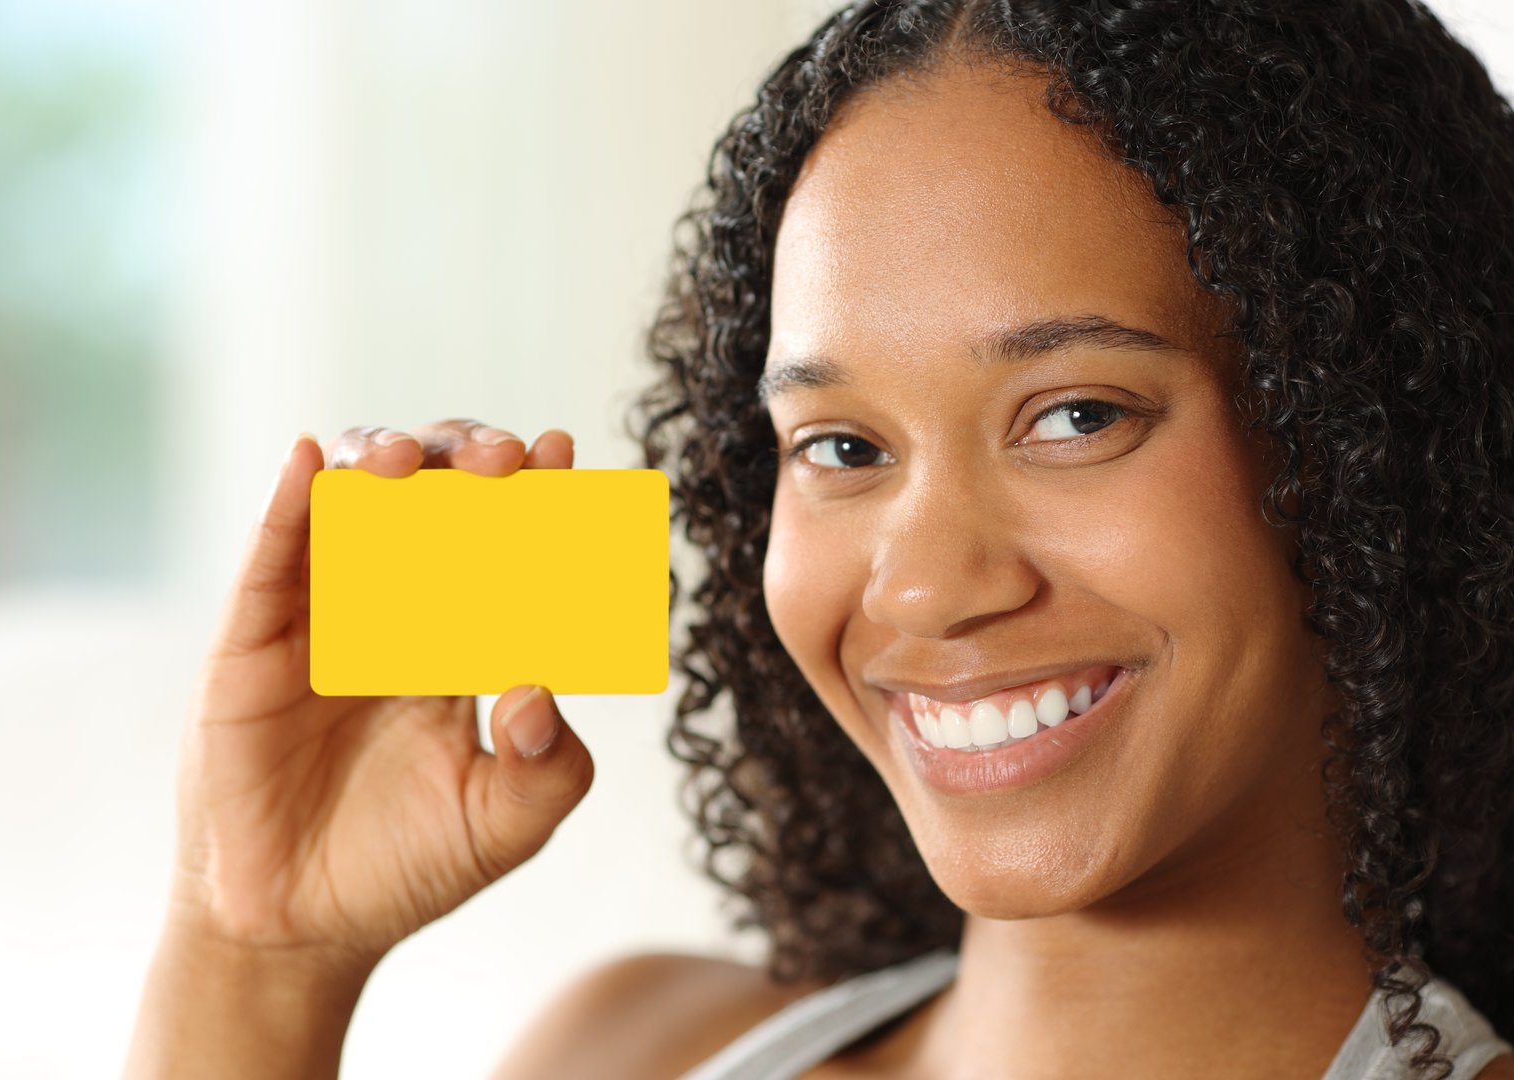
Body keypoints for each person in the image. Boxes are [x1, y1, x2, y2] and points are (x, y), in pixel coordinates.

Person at [121, 1, 1514, 1077]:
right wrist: (254, 960)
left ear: (1366, 438)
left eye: (1076, 414)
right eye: (842, 449)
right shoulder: (636, 1043)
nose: (922, 580)